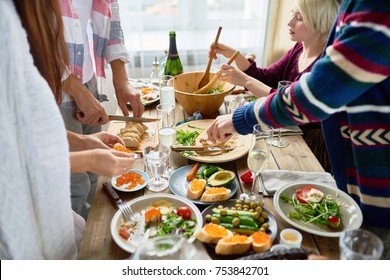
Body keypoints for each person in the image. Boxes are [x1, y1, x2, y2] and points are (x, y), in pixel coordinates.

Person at [207, 0, 390, 256]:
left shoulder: (375, 9)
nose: (290, 22)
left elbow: (315, 95)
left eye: (299, 17)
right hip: (357, 189)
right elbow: (272, 78)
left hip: (379, 198)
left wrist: (242, 118)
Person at [0, 0, 137, 259]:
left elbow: (30, 133)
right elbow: (13, 168)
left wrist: (85, 142)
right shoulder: (8, 29)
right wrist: (88, 157)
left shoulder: (16, 42)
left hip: (52, 228)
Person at [209, 0, 340, 172]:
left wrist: (245, 81)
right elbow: (267, 78)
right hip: (283, 135)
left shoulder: (325, 65)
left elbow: (291, 107)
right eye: (292, 14)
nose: (290, 22)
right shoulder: (298, 49)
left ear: (321, 24)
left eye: (299, 18)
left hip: (310, 147)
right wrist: (235, 55)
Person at [59, 0, 144, 218]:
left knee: (92, 178)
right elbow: (33, 43)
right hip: (53, 88)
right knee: (73, 189)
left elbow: (110, 10)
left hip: (88, 79)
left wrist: (121, 78)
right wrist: (74, 88)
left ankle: (88, 234)